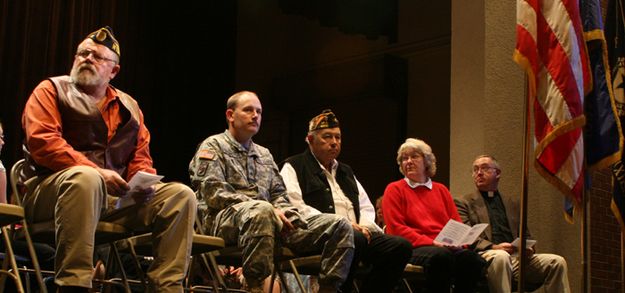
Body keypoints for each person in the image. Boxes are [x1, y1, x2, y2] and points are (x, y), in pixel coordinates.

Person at [21, 26, 197, 292]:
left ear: (113, 71)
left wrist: (143, 184)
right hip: (51, 190)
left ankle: (167, 287)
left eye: (97, 57)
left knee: (180, 196)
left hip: (111, 200)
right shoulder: (51, 90)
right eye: (83, 53)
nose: (87, 59)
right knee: (86, 178)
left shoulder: (130, 107)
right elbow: (43, 142)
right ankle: (73, 284)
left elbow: (140, 157)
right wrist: (97, 172)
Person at [189, 91, 354, 293]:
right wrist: (269, 209)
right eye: (248, 110)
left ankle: (328, 289)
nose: (255, 115)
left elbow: (279, 195)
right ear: (230, 115)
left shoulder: (264, 154)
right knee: (262, 211)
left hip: (269, 221)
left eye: (259, 111)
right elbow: (214, 193)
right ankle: (255, 287)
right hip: (222, 220)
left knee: (340, 225)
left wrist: (287, 215)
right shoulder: (213, 145)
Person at [280, 109, 411, 293]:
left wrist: (364, 226)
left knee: (399, 247)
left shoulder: (346, 171)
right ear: (310, 140)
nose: (334, 142)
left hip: (358, 234)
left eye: (338, 137)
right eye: (327, 137)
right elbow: (295, 206)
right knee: (351, 236)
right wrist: (344, 225)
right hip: (318, 234)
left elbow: (365, 206)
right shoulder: (293, 166)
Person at [382, 138, 486, 293]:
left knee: (473, 260)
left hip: (444, 246)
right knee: (442, 258)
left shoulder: (441, 190)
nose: (408, 161)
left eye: (414, 156)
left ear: (427, 162)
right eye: (404, 158)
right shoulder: (394, 189)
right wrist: (432, 242)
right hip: (415, 247)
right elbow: (396, 229)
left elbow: (456, 223)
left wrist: (460, 243)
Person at [455, 155, 570, 293]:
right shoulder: (463, 202)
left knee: (557, 262)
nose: (479, 173)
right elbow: (466, 236)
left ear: (497, 173)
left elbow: (526, 235)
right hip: (485, 256)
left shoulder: (512, 204)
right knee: (501, 257)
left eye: (485, 168)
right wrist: (494, 247)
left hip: (516, 258)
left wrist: (529, 249)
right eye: (475, 169)